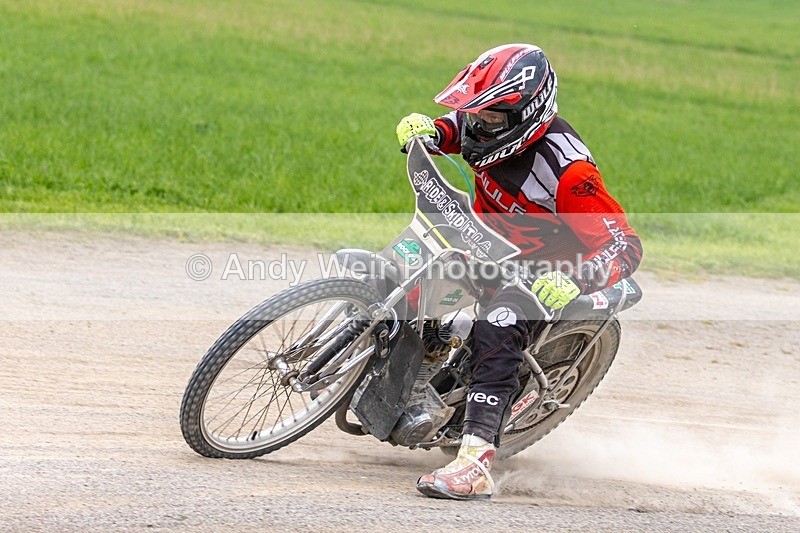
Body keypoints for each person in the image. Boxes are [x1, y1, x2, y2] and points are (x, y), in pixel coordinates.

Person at [395, 43, 643, 500]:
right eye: (476, 115)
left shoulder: (570, 174)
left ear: (528, 115)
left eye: (492, 119)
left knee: (499, 323)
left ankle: (474, 463)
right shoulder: (482, 127)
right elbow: (457, 129)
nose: (479, 126)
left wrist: (575, 278)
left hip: (549, 271)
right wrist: (428, 131)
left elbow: (626, 246)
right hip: (491, 247)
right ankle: (420, 366)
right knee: (410, 269)